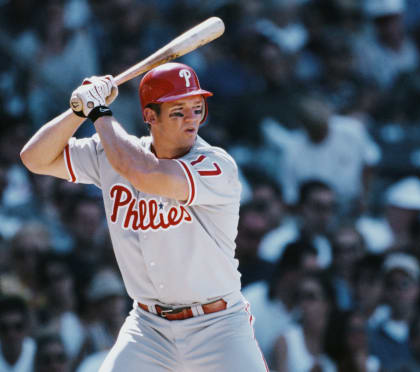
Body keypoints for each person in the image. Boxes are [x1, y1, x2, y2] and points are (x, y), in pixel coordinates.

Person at [20, 62, 269, 372]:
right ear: (150, 116)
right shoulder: (113, 152)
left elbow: (142, 172)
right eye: (178, 111)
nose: (191, 120)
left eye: (197, 108)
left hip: (217, 326)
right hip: (149, 328)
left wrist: (98, 112)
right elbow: (34, 158)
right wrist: (79, 109)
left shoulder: (216, 165)